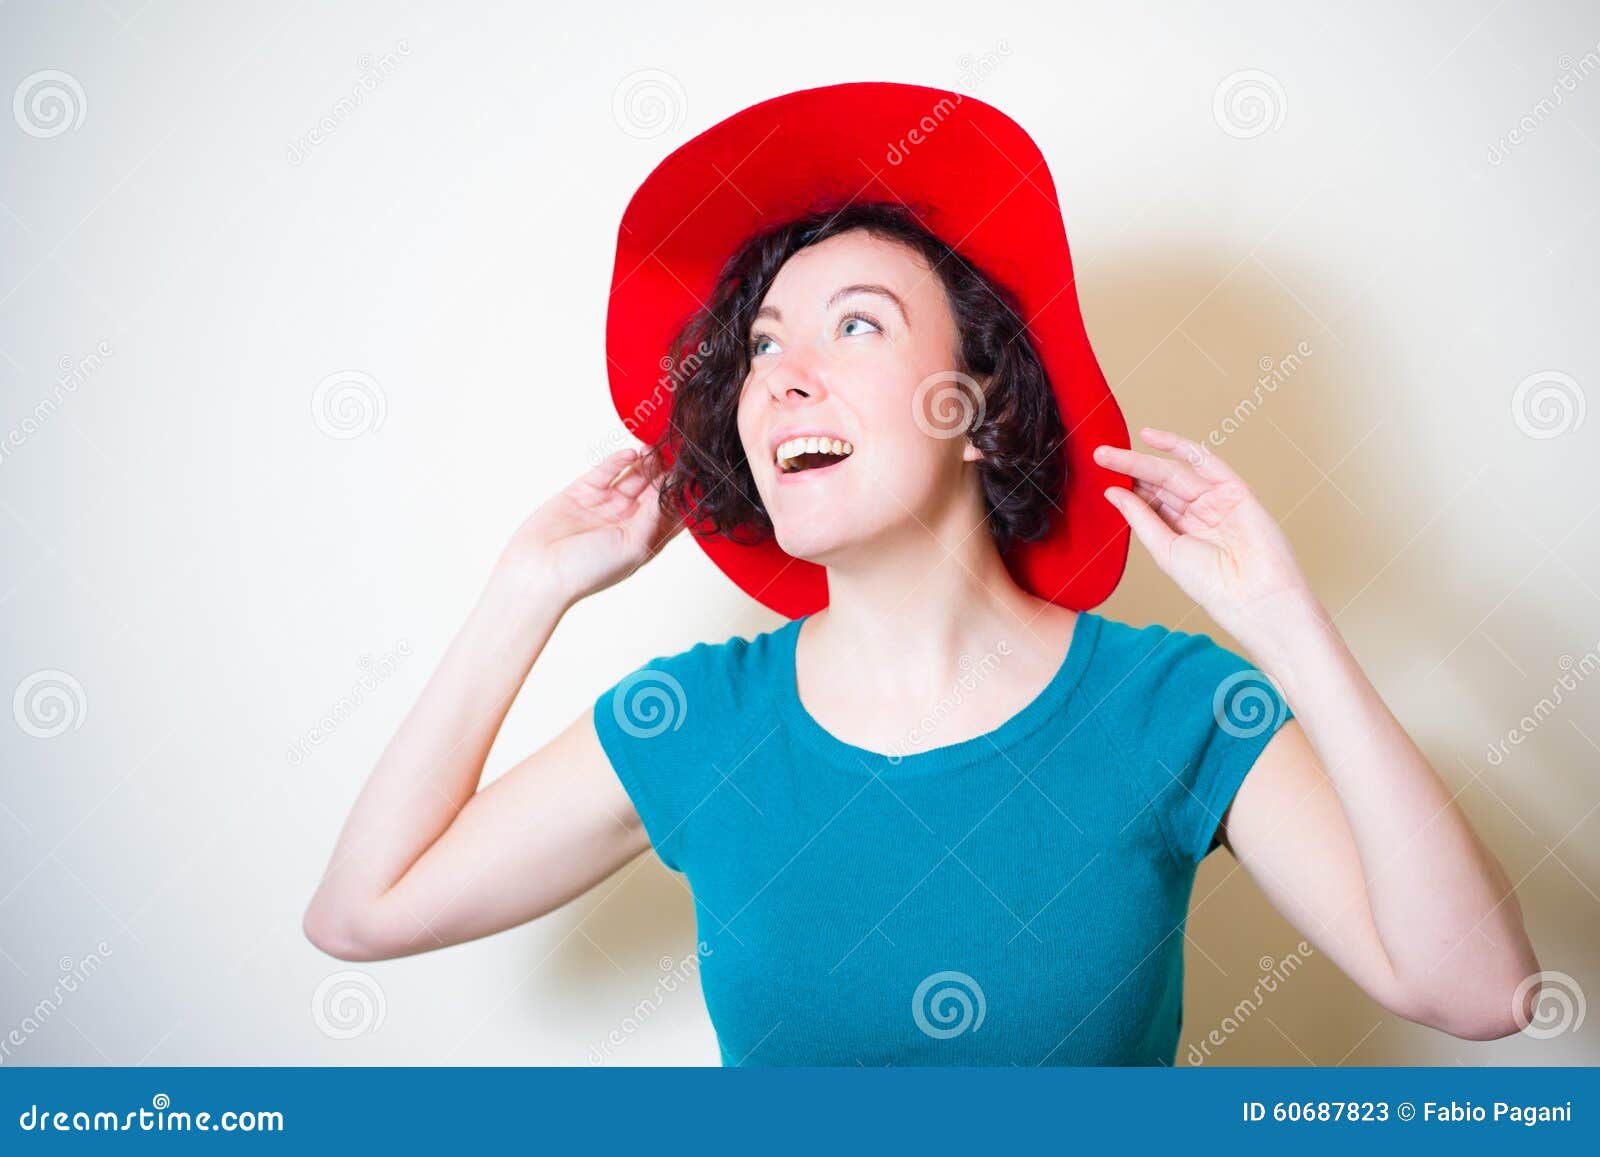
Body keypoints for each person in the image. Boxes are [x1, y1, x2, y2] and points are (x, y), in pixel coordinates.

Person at [303, 83, 1541, 1066]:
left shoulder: (1172, 703)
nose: (782, 375)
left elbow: (1476, 991)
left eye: (855, 325)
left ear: (978, 407)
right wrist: (526, 586)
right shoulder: (696, 719)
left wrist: (1285, 622)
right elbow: (362, 913)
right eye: (761, 348)